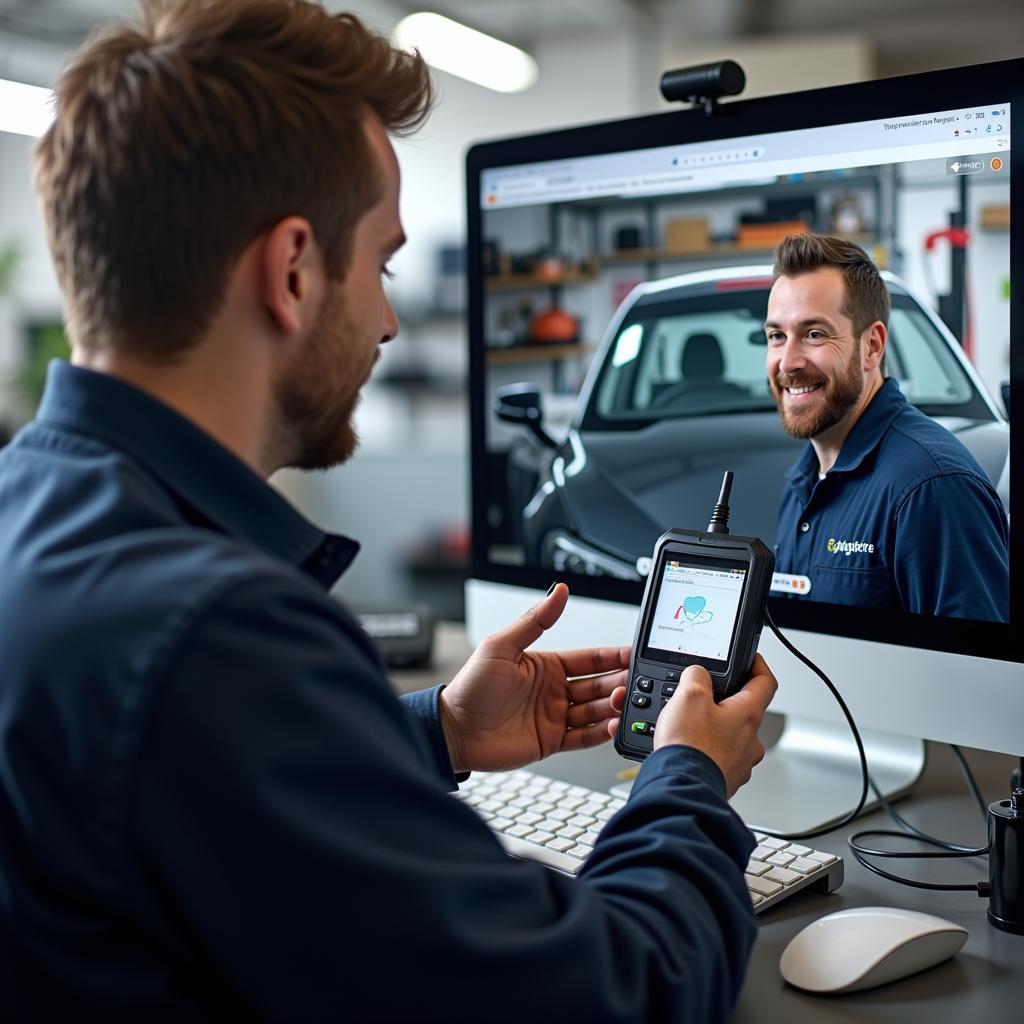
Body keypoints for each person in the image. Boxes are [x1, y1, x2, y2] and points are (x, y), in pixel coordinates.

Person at [0, 2, 778, 1019]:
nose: (387, 319)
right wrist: (687, 776)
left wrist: (437, 731)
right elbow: (620, 993)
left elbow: (198, 796)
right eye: (381, 263)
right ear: (290, 271)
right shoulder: (216, 630)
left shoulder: (34, 512)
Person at [765, 233, 1009, 620]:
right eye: (777, 336)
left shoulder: (932, 487)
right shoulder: (806, 480)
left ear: (872, 346)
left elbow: (980, 674)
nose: (788, 361)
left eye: (814, 334)